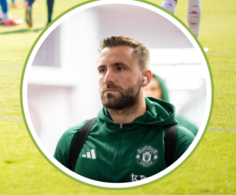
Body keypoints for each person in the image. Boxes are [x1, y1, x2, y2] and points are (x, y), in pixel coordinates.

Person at [54, 36, 195, 183]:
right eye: (102, 70)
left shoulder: (179, 142)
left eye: (119, 68)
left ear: (145, 78)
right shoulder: (73, 139)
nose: (107, 78)